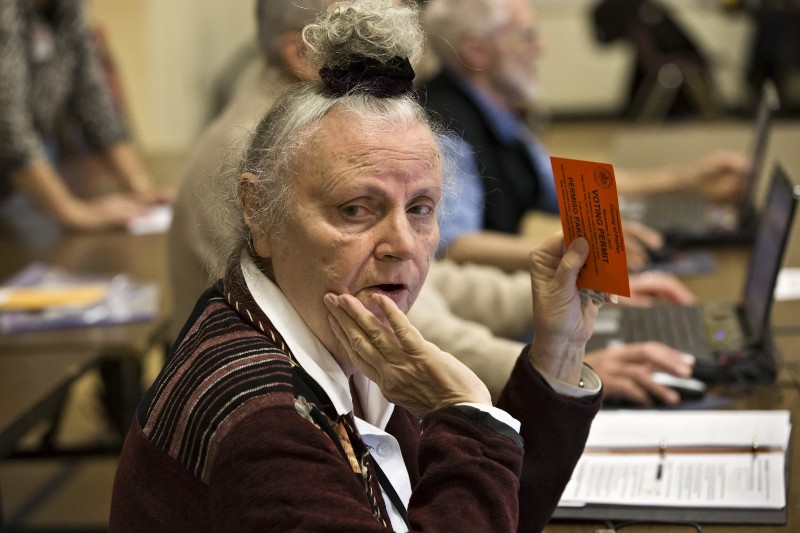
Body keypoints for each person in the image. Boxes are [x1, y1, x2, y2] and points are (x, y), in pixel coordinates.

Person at [110, 1, 602, 530]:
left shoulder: (344, 330)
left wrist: (560, 348)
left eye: (420, 209)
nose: (401, 245)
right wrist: (468, 421)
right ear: (258, 211)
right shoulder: (265, 419)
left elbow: (496, 511)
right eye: (354, 210)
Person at [168, 0, 698, 408]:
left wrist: (548, 306)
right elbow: (401, 315)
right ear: (301, 53)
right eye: (356, 21)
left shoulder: (328, 131)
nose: (388, 39)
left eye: (421, 208)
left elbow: (423, 283)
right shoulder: (269, 146)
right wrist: (535, 372)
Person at [420, 0, 751, 272]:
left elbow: (568, 186)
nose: (540, 48)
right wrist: (574, 251)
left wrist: (686, 180)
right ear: (477, 51)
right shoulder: (445, 130)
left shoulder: (494, 111)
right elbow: (451, 247)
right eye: (527, 35)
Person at [0, 0, 171, 231]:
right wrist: (73, 211)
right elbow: (7, 126)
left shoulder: (68, 8)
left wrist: (140, 188)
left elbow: (93, 100)